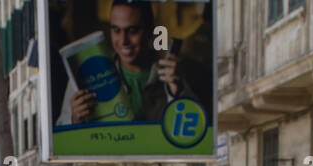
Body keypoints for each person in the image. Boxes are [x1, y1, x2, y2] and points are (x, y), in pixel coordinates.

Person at [56, 0, 208, 126]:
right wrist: (74, 120)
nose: (123, 41)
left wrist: (178, 94)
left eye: (132, 31)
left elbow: (196, 131)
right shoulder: (86, 79)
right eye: (116, 30)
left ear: (150, 32)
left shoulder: (171, 77)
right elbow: (62, 141)